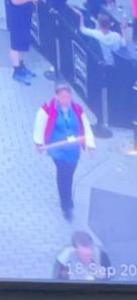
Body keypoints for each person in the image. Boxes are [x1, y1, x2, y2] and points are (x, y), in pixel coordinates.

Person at [33, 82, 95, 220]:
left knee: (69, 174)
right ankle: (66, 204)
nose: (66, 99)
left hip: (73, 150)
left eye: (68, 96)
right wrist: (38, 143)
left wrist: (90, 146)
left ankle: (66, 197)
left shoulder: (77, 109)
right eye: (63, 97)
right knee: (63, 175)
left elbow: (86, 127)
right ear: (56, 97)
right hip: (58, 150)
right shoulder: (47, 109)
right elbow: (40, 124)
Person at [7, 0, 37, 84]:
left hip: (24, 14)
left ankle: (21, 66)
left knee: (21, 43)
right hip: (16, 15)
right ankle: (16, 71)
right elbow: (15, 1)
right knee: (15, 44)